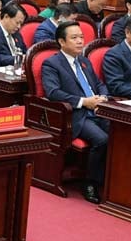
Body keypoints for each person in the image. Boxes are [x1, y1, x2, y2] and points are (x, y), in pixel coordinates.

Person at [41, 21, 109, 204]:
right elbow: (53, 93)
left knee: (124, 132)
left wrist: (103, 97)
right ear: (62, 42)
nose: (80, 41)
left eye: (81, 37)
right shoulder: (52, 63)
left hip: (98, 110)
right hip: (75, 114)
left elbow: (98, 83)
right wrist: (83, 102)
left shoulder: (85, 61)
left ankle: (110, 180)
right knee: (102, 139)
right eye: (74, 38)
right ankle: (90, 183)